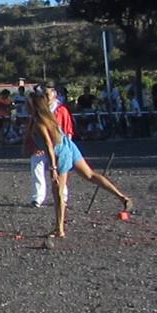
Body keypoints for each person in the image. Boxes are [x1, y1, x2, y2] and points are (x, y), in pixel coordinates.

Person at [27, 91, 130, 238]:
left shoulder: (39, 122)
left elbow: (49, 146)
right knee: (90, 175)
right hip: (69, 146)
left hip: (60, 153)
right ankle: (122, 197)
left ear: (34, 105)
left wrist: (53, 168)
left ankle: (59, 229)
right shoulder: (48, 117)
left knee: (58, 192)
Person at [28, 83, 72, 208]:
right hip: (42, 147)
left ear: (54, 94)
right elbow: (34, 131)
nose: (45, 97)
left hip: (59, 147)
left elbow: (68, 131)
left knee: (60, 171)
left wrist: (65, 149)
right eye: (43, 95)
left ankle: (62, 197)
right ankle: (38, 197)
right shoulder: (39, 111)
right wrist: (37, 146)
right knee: (36, 163)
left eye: (47, 94)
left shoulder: (61, 110)